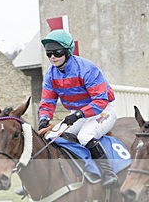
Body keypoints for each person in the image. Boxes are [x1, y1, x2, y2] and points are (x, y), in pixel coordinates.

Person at [37, 28, 119, 188]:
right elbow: (47, 102)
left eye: (57, 52)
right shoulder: (50, 75)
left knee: (85, 136)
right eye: (49, 53)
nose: (52, 57)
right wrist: (43, 119)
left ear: (68, 51)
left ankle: (108, 173)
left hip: (103, 111)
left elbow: (100, 101)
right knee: (50, 138)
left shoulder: (87, 69)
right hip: (79, 114)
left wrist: (78, 114)